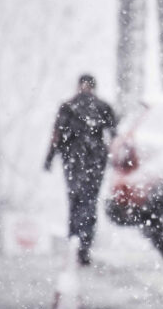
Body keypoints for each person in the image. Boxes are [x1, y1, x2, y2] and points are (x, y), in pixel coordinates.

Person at [44, 74, 117, 265]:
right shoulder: (103, 107)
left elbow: (57, 134)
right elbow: (114, 135)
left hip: (73, 160)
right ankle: (84, 245)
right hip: (94, 160)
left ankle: (74, 241)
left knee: (75, 200)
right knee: (89, 201)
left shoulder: (68, 106)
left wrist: (50, 158)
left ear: (79, 86)